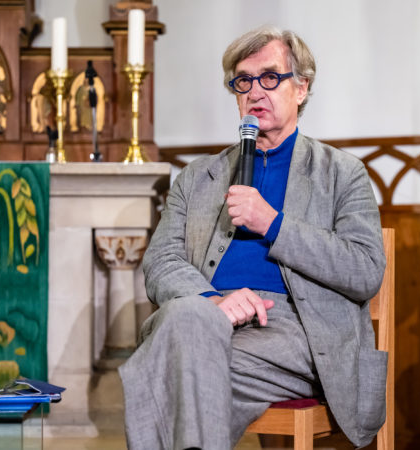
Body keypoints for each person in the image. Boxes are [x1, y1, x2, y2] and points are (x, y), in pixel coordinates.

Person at [119, 25, 387, 450]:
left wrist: (273, 223)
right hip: (206, 317)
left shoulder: (342, 173)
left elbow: (365, 270)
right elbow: (161, 262)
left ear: (301, 88)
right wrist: (212, 302)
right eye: (243, 81)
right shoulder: (197, 177)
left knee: (166, 363)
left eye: (270, 77)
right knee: (187, 329)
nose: (255, 91)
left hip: (294, 329)